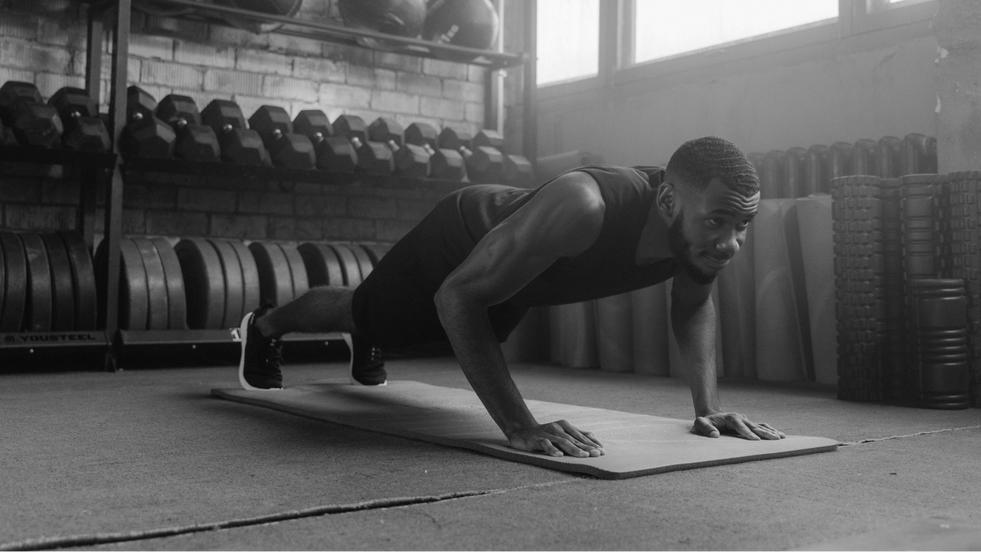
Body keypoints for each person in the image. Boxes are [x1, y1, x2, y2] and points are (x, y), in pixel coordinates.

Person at [238, 135, 785, 457]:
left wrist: (708, 408)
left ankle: (372, 336)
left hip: (528, 276)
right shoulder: (586, 206)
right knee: (370, 313)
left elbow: (692, 306)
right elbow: (457, 297)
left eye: (743, 225)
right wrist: (519, 426)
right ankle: (264, 325)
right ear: (667, 201)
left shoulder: (697, 240)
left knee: (442, 331)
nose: (730, 243)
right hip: (461, 240)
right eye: (719, 222)